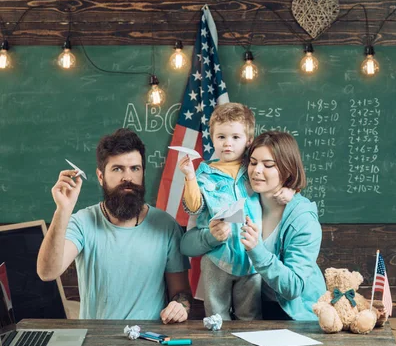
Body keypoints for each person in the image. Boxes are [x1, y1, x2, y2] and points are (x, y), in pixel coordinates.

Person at [37, 128, 191, 323]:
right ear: (101, 177)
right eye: (117, 169)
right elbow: (47, 272)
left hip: (149, 339)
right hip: (96, 340)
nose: (127, 177)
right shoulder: (82, 222)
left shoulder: (166, 226)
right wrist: (62, 210)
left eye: (135, 168)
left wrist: (180, 306)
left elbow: (181, 292)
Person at [179, 103, 293, 320]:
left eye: (235, 137)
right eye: (221, 137)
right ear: (212, 138)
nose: (227, 144)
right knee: (216, 316)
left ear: (249, 140)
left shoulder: (254, 169)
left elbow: (275, 183)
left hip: (251, 258)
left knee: (249, 316)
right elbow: (194, 206)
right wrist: (189, 177)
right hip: (217, 257)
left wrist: (289, 191)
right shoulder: (205, 174)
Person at [240, 131, 326, 320]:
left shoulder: (303, 221)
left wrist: (257, 250)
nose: (257, 171)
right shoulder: (243, 203)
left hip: (296, 314)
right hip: (250, 310)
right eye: (253, 163)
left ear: (287, 169)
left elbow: (293, 287)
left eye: (268, 165)